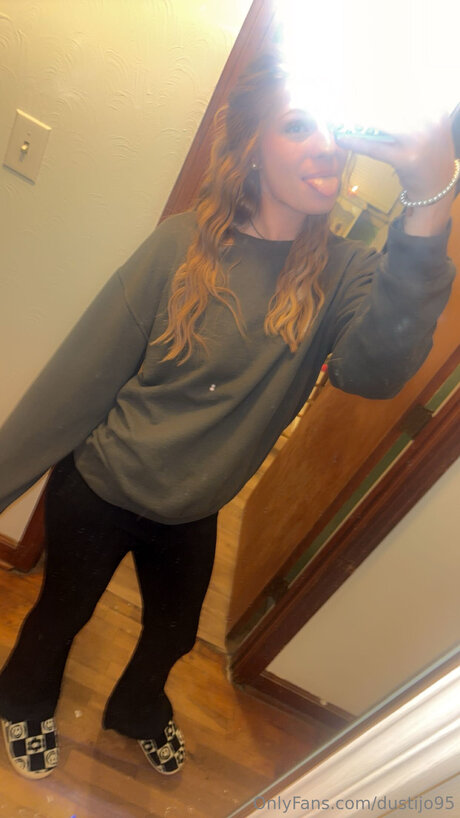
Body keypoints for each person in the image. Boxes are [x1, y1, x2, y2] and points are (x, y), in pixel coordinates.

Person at [0, 52, 457, 780]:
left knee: (174, 634)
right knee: (62, 614)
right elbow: (77, 382)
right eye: (296, 126)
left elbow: (376, 371)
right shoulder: (179, 244)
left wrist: (430, 198)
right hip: (104, 488)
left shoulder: (346, 271)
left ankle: (136, 709)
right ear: (251, 150)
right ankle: (23, 700)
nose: (325, 145)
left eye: (330, 127)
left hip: (193, 508)